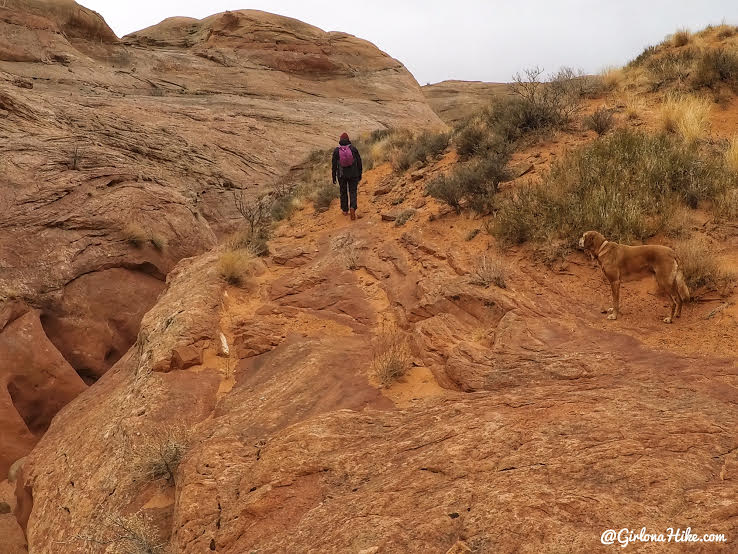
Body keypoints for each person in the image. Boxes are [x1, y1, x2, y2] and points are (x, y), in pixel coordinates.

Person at [332, 132, 363, 220]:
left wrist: (334, 177)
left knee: (343, 192)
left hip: (342, 175)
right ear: (348, 139)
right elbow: (359, 162)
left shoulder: (337, 151)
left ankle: (345, 210)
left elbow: (334, 165)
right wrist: (360, 174)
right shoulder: (353, 149)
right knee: (353, 191)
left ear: (340, 140)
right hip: (353, 174)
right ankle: (352, 207)